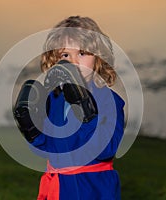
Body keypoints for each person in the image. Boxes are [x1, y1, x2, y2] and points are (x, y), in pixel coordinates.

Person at [14, 16, 125, 200]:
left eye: (82, 53)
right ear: (55, 61)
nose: (73, 62)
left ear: (98, 57)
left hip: (93, 188)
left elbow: (107, 150)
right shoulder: (55, 98)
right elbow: (49, 148)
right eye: (65, 55)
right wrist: (32, 132)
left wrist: (86, 111)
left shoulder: (109, 101)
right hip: (60, 187)